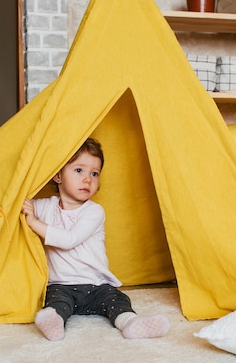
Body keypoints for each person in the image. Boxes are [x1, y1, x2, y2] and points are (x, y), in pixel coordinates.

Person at [22, 138, 170, 341]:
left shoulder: (94, 212)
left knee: (117, 300)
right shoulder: (45, 207)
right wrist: (26, 209)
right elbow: (20, 203)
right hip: (61, 285)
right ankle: (55, 323)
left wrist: (33, 222)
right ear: (57, 175)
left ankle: (130, 323)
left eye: (94, 173)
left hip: (96, 285)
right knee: (55, 303)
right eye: (79, 170)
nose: (87, 179)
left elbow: (69, 239)